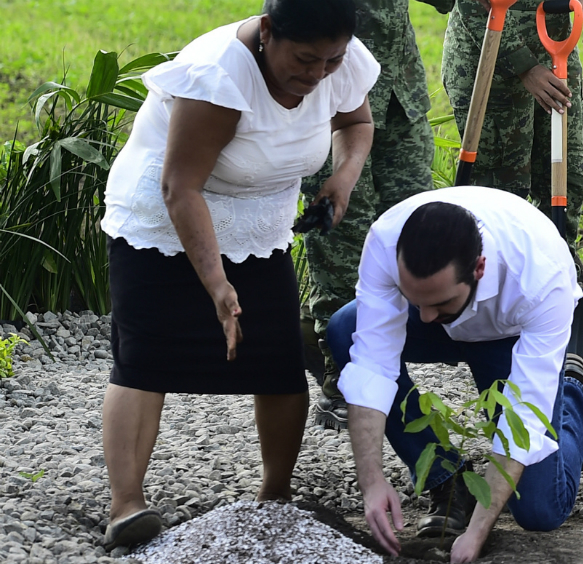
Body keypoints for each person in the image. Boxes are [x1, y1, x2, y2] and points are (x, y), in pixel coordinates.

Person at [98, 0, 378, 548]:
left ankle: (275, 496)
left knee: (275, 358)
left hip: (258, 221)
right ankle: (126, 504)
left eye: (331, 61)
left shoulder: (337, 55)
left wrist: (343, 175)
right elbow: (181, 186)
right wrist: (217, 283)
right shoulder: (219, 76)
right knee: (145, 357)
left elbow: (357, 121)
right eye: (304, 60)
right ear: (267, 32)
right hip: (165, 216)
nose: (318, 74)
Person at [327, 186, 583, 563]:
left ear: (479, 267)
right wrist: (371, 482)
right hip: (455, 302)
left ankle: (575, 394)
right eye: (417, 300)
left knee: (540, 511)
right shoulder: (387, 239)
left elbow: (524, 417)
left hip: (507, 335)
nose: (427, 317)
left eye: (440, 302)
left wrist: (477, 532)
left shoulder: (541, 276)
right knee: (345, 329)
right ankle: (446, 480)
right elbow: (372, 365)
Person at [300, 0, 454, 431]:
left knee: (414, 228)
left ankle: (388, 359)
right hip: (327, 91)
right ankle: (341, 377)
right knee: (340, 236)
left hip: (398, 95)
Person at [441, 0, 583, 368]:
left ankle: (561, 333)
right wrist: (525, 67)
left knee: (566, 185)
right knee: (502, 198)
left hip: (556, 51)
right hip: (492, 59)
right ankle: (493, 337)